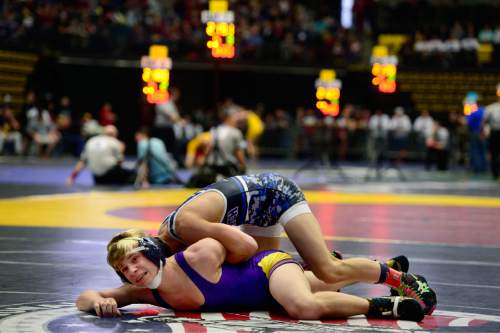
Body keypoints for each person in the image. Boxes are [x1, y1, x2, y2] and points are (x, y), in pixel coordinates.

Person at [157, 172, 436, 315]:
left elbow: (244, 248)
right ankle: (377, 267)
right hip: (256, 207)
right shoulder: (166, 238)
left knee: (328, 271)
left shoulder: (185, 228)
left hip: (276, 195)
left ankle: (404, 280)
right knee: (265, 280)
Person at [76, 229, 428, 322]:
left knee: (304, 306)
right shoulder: (142, 293)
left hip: (268, 267)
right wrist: (101, 301)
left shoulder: (197, 254)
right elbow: (84, 297)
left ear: (151, 252)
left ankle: (384, 305)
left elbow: (242, 246)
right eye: (124, 269)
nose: (133, 271)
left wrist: (288, 261)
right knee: (328, 283)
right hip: (266, 294)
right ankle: (387, 264)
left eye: (135, 260)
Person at [67, 125, 135, 186]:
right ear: (115, 134)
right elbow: (120, 163)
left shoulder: (91, 141)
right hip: (110, 175)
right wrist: (122, 150)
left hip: (97, 178)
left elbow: (82, 162)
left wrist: (72, 177)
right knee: (134, 174)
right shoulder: (115, 142)